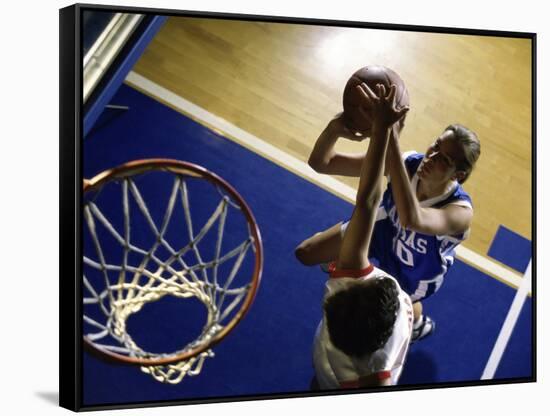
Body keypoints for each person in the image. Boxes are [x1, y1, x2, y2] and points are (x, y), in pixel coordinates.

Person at [296, 87, 480, 342]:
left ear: (458, 175)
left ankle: (415, 321)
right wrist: (334, 130)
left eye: (445, 160)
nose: (432, 157)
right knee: (305, 253)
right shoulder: (407, 163)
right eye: (436, 146)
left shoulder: (460, 212)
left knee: (372, 323)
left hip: (416, 270)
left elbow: (412, 218)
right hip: (383, 233)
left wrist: (388, 134)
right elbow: (321, 163)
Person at [312, 82, 413, 389]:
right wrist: (383, 129)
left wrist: (381, 129)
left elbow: (367, 201)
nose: (366, 274)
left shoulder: (342, 293)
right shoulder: (380, 377)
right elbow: (370, 202)